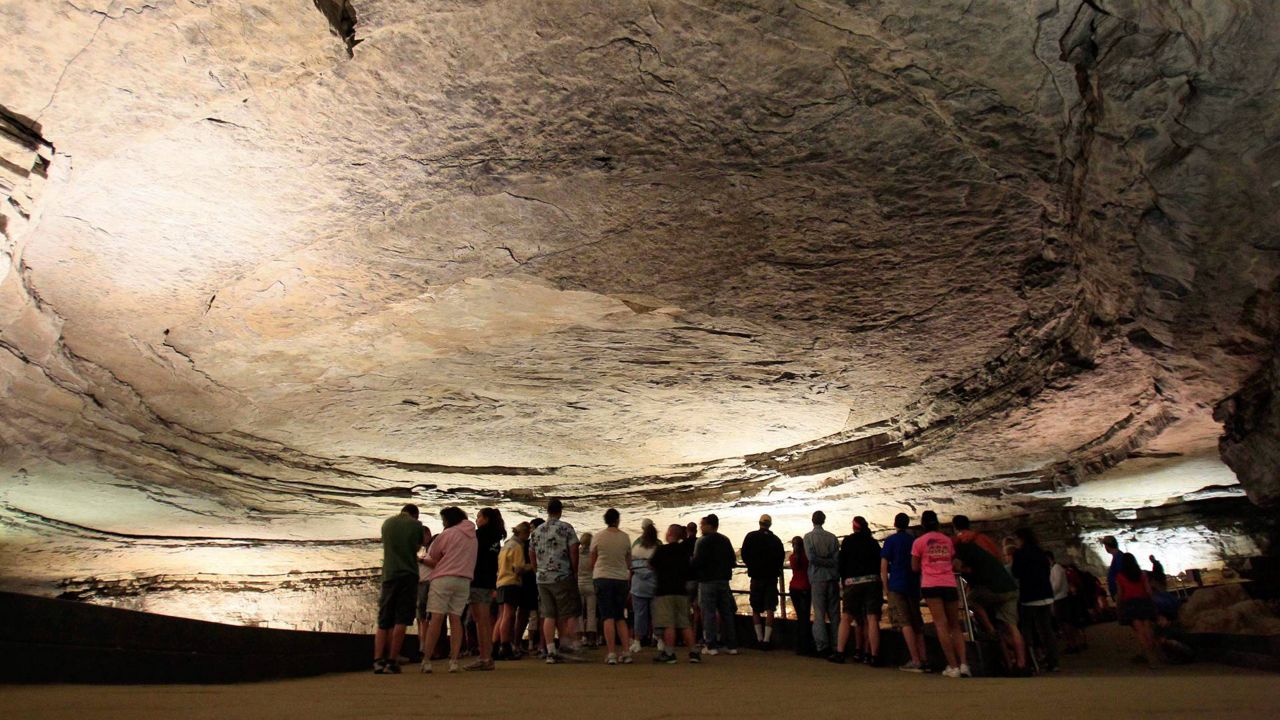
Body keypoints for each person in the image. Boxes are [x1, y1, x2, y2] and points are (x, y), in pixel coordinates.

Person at [955, 538, 1027, 674]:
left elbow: (959, 570)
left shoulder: (962, 552)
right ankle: (1021, 663)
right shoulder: (983, 556)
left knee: (971, 600)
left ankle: (990, 629)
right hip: (1010, 589)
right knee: (1012, 627)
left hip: (993, 590)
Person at [420, 506, 477, 674]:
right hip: (464, 580)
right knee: (456, 619)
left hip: (444, 578)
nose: (443, 522)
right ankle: (453, 661)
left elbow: (434, 554)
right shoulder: (473, 536)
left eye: (444, 519)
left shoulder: (448, 534)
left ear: (449, 520)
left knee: (436, 618)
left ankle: (427, 660)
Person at [912, 510, 968, 678]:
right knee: (955, 625)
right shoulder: (947, 540)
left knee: (941, 625)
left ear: (922, 524)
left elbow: (914, 567)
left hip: (931, 584)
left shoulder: (919, 542)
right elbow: (953, 561)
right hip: (949, 583)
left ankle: (952, 666)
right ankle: (964, 664)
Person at [529, 498, 582, 663]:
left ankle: (550, 650)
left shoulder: (537, 531)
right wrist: (575, 571)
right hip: (562, 575)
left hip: (542, 578)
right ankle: (571, 646)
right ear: (560, 510)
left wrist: (537, 569)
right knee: (569, 613)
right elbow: (574, 551)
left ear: (547, 511)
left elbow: (531, 553)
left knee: (549, 614)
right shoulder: (566, 528)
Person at [374, 504, 424, 674]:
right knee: (401, 619)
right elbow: (418, 547)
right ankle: (392, 660)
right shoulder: (416, 525)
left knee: (384, 619)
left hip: (389, 574)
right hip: (408, 574)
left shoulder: (387, 523)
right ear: (415, 515)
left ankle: (378, 660)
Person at [832, 516, 883, 665]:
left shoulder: (848, 541)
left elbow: (841, 563)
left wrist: (843, 580)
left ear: (854, 527)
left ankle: (840, 652)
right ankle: (873, 655)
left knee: (847, 617)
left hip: (853, 582)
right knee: (872, 619)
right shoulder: (873, 543)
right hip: (872, 581)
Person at [880, 512, 926, 672]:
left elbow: (884, 565)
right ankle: (924, 658)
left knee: (905, 622)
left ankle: (915, 660)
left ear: (895, 524)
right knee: (916, 622)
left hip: (897, 584)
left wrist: (886, 588)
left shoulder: (891, 540)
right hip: (912, 584)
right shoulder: (913, 541)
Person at [650, 523, 702, 664]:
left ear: (670, 534)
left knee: (669, 624)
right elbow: (690, 569)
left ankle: (670, 653)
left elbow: (652, 566)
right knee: (685, 623)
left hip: (665, 591)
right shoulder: (684, 552)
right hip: (681, 591)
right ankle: (693, 652)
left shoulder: (661, 550)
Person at [1011, 528, 1059, 673]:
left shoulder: (1019, 554)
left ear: (1021, 539)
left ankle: (1029, 662)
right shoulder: (1041, 553)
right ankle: (1053, 662)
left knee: (1027, 630)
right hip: (1045, 594)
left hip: (1029, 596)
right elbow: (1047, 571)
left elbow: (1016, 573)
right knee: (1046, 630)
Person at [590, 508, 634, 665]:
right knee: (620, 616)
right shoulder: (625, 538)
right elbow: (629, 561)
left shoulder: (598, 537)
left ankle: (611, 653)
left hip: (602, 577)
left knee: (607, 616)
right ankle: (626, 652)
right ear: (617, 520)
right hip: (621, 578)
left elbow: (592, 560)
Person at [462, 507, 503, 671]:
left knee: (479, 621)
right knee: (485, 620)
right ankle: (488, 656)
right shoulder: (496, 537)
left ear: (485, 518)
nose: (477, 519)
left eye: (478, 516)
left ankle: (484, 656)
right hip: (489, 581)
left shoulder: (478, 536)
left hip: (477, 579)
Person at [692, 513, 738, 655]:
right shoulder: (725, 540)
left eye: (703, 525)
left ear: (709, 526)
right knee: (726, 613)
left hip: (707, 581)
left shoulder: (702, 542)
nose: (701, 528)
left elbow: (697, 562)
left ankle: (711, 645)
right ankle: (732, 645)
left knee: (708, 613)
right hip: (723, 581)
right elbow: (732, 560)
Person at [740, 514, 785, 649]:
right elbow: (780, 558)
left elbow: (745, 554)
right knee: (770, 607)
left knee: (755, 607)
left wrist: (752, 566)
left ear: (759, 523)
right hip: (771, 578)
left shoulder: (751, 537)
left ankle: (759, 638)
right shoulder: (776, 540)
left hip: (756, 576)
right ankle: (766, 640)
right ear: (770, 524)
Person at [803, 510, 840, 657]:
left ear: (812, 520)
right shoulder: (832, 538)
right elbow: (836, 559)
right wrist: (829, 562)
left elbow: (811, 558)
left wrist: (820, 562)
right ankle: (837, 644)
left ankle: (822, 645)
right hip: (832, 577)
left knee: (819, 613)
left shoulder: (808, 537)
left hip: (817, 578)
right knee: (835, 613)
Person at [1115, 552, 1160, 666]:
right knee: (1148, 629)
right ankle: (1155, 654)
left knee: (1140, 632)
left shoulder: (1120, 576)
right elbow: (1148, 590)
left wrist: (1119, 606)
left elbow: (1120, 593)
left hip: (1131, 604)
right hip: (1144, 601)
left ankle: (1150, 658)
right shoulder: (1142, 574)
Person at [495, 521, 530, 660]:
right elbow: (518, 568)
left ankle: (495, 644)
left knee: (502, 615)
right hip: (511, 582)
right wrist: (531, 566)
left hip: (501, 581)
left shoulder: (506, 545)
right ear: (524, 533)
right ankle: (505, 646)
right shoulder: (517, 547)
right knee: (509, 615)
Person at [630, 520, 660, 652]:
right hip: (654, 585)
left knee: (639, 614)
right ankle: (658, 639)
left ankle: (637, 641)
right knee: (656, 614)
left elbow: (631, 565)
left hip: (639, 585)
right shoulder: (659, 547)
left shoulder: (637, 547)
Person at [521, 517, 545, 655]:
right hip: (537, 581)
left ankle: (530, 643)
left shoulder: (528, 544)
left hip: (530, 582)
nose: (530, 531)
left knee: (532, 615)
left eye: (532, 527)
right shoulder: (542, 542)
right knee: (541, 614)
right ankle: (541, 644)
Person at [789, 536, 815, 656]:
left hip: (794, 587)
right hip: (805, 587)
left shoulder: (792, 558)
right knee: (805, 617)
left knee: (800, 617)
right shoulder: (807, 558)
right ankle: (807, 645)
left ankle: (799, 645)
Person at [577, 531, 598, 648]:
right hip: (591, 585)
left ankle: (581, 638)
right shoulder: (593, 554)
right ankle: (592, 639)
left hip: (579, 584)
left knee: (579, 613)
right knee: (591, 612)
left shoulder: (577, 554)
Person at [1102, 535, 1123, 600]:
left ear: (1107, 546)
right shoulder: (1117, 556)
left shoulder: (1119, 557)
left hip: (1121, 596)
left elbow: (1121, 577)